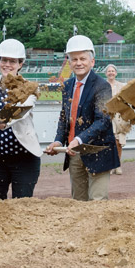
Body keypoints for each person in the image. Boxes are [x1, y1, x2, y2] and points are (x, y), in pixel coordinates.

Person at [44, 35, 119, 201]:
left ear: (92, 62)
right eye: (74, 59)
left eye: (83, 59)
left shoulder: (102, 86)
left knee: (97, 202)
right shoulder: (67, 86)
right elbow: (64, 119)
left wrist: (79, 139)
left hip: (97, 151)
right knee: (78, 203)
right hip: (74, 153)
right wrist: (58, 141)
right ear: (69, 63)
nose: (78, 63)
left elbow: (103, 120)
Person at [0, 38, 42, 198]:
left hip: (25, 157)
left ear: (20, 64)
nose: (7, 64)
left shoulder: (29, 87)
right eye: (4, 60)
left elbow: (21, 110)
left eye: (12, 61)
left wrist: (5, 121)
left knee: (21, 206)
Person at [105, 64, 127, 174]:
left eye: (113, 71)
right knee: (108, 142)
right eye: (109, 71)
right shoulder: (102, 85)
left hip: (119, 118)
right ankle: (110, 165)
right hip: (107, 117)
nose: (111, 73)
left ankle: (117, 165)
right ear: (106, 73)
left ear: (116, 73)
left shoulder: (122, 86)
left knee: (118, 142)